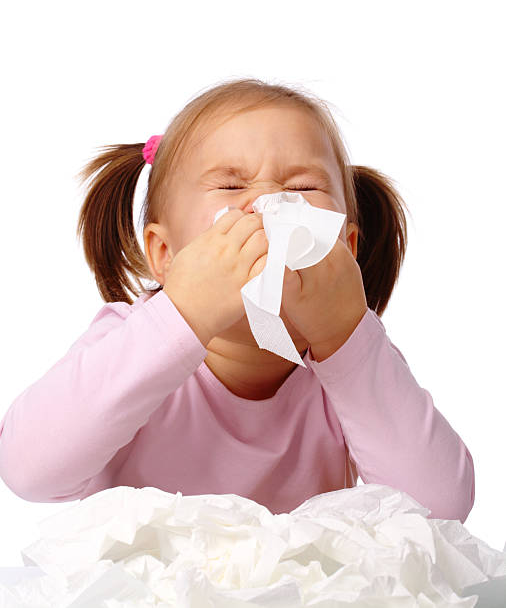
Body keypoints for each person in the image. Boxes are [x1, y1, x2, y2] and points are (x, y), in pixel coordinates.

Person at [0, 78, 474, 522]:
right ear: (165, 255)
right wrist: (180, 315)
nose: (267, 202)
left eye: (302, 188)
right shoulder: (129, 342)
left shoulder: (351, 366)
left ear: (345, 249)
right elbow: (29, 471)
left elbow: (439, 512)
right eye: (230, 186)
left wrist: (345, 334)